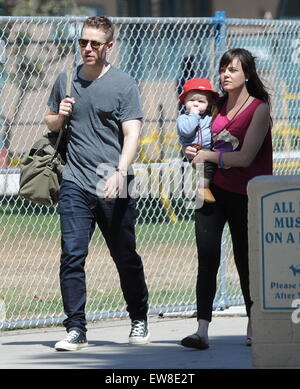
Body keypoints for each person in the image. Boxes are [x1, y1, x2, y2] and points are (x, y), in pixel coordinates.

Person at [45, 16, 149, 351]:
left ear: (109, 46)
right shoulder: (66, 79)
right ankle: (76, 329)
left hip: (113, 180)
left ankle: (139, 318)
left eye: (94, 44)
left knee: (124, 255)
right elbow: (50, 121)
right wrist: (59, 114)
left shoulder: (123, 84)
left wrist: (120, 170)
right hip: (75, 181)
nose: (87, 49)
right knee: (72, 255)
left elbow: (132, 132)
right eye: (82, 43)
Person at [181, 48, 273, 349]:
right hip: (211, 191)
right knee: (206, 258)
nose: (225, 74)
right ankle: (202, 330)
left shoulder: (259, 109)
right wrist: (191, 151)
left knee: (246, 261)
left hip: (246, 193)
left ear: (247, 74)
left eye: (232, 69)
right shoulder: (216, 105)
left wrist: (209, 155)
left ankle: (254, 324)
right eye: (223, 69)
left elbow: (245, 157)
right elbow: (197, 136)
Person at [176, 78, 219, 203]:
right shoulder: (183, 118)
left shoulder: (209, 117)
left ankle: (209, 187)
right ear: (184, 102)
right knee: (208, 165)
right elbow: (186, 131)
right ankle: (203, 189)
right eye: (192, 100)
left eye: (201, 101)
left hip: (209, 148)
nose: (196, 104)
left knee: (214, 164)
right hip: (194, 149)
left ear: (208, 104)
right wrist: (194, 115)